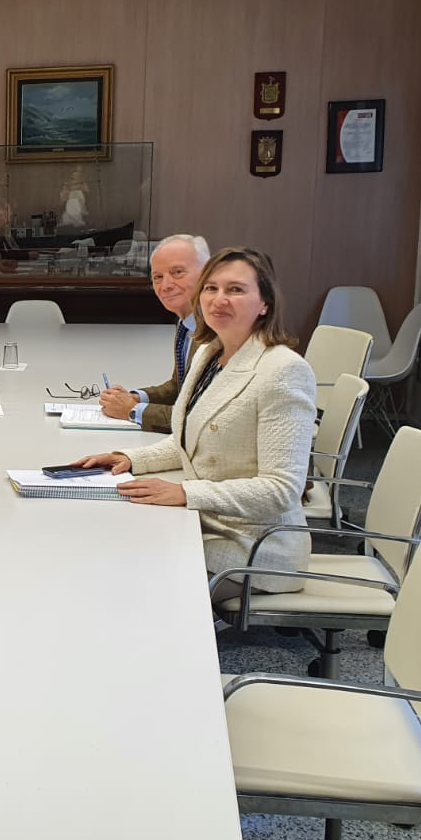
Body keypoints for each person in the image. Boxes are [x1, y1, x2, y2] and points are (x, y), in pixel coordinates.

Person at [78, 247, 317, 599]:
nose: (219, 299)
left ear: (265, 303)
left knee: (129, 586)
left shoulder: (283, 370)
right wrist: (130, 458)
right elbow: (193, 438)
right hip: (207, 524)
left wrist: (185, 493)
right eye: (211, 288)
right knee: (105, 548)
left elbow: (281, 490)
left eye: (236, 290)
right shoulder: (209, 353)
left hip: (253, 548)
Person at [98, 234, 210, 432]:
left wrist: (132, 410)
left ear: (207, 273)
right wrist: (136, 397)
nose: (165, 285)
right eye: (158, 277)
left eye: (177, 272)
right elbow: (179, 387)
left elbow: (200, 417)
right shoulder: (186, 323)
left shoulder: (218, 333)